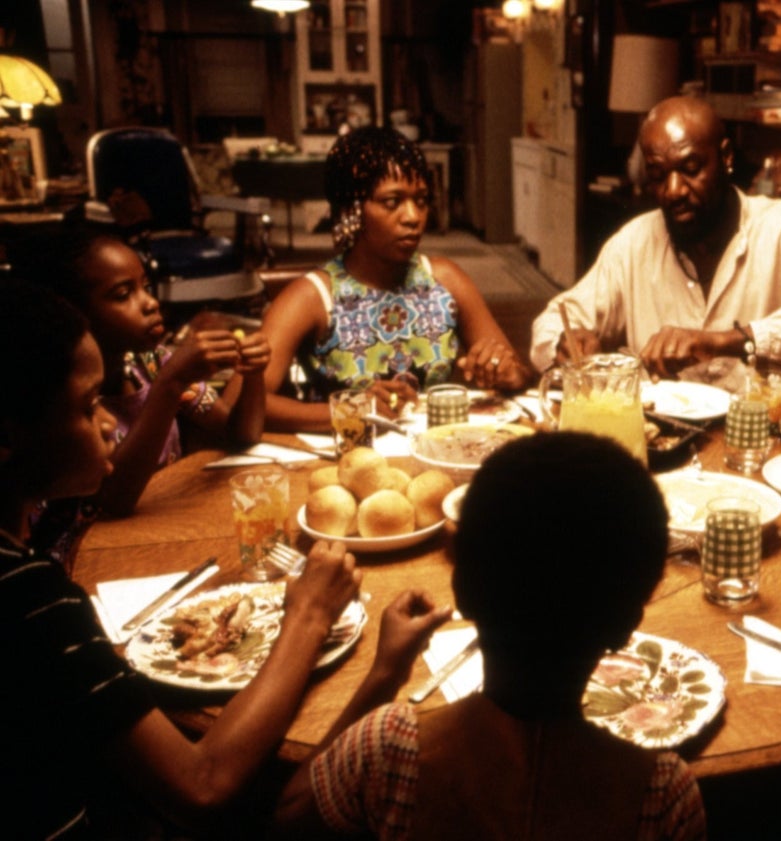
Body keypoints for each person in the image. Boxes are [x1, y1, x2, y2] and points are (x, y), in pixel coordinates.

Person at [0, 278, 393, 837]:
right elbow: (202, 787)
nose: (110, 421)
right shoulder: (28, 595)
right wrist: (308, 614)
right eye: (89, 406)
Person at [273, 432, 707, 840]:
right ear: (627, 623)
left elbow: (291, 813)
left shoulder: (387, 747)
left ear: (464, 587)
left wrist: (383, 675)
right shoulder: (665, 795)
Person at [529, 95, 781, 386]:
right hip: (667, 448)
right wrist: (567, 339)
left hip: (771, 446)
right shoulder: (634, 242)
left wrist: (735, 340)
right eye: (658, 175)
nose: (673, 191)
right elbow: (554, 319)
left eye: (690, 169)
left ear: (727, 158)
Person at [10, 224, 270, 563]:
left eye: (145, 287)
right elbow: (113, 499)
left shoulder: (149, 364)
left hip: (159, 533)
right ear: (73, 312)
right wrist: (169, 386)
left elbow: (239, 434)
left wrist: (253, 374)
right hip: (93, 555)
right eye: (123, 295)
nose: (149, 303)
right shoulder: (71, 401)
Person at [260, 126, 532, 433]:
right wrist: (353, 410)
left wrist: (507, 372)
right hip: (347, 461)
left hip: (437, 450)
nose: (413, 216)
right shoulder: (313, 296)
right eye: (393, 202)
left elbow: (520, 373)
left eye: (421, 200)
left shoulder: (445, 280)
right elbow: (244, 405)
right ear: (354, 208)